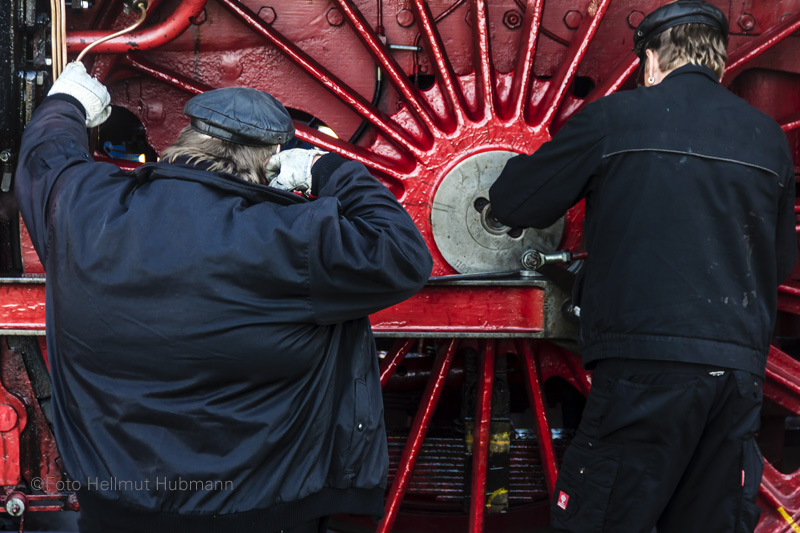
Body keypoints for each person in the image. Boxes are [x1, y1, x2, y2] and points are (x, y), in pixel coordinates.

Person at [15, 61, 433, 533]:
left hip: (115, 509)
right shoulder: (290, 239)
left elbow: (46, 158)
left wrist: (66, 103)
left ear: (184, 140)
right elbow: (402, 253)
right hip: (262, 513)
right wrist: (327, 168)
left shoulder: (84, 209)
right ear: (272, 167)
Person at [489, 2, 796, 532]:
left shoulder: (617, 119)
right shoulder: (766, 139)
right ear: (718, 63)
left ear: (652, 60)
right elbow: (780, 261)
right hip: (734, 373)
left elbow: (517, 202)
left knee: (604, 516)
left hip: (644, 367)